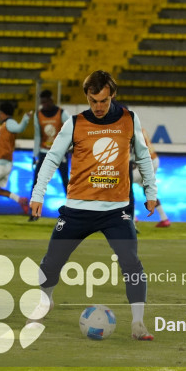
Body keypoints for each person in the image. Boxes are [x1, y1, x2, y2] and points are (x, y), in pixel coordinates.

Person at [30, 70, 158, 340]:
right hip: (78, 209)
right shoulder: (74, 123)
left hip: (116, 211)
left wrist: (150, 190)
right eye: (92, 101)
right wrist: (38, 193)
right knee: (51, 263)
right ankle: (46, 299)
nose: (98, 107)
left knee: (132, 264)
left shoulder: (129, 119)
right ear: (87, 98)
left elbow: (144, 157)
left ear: (112, 94)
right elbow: (52, 158)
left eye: (102, 100)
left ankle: (138, 323)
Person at [29, 90, 70, 222]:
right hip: (43, 152)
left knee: (66, 182)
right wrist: (35, 155)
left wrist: (67, 148)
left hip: (59, 153)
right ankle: (34, 213)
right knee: (37, 182)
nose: (44, 105)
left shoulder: (62, 114)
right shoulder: (38, 115)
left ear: (51, 100)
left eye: (46, 102)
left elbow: (71, 131)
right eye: (42, 103)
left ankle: (73, 212)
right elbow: (37, 136)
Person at [132, 128, 170, 227]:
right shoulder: (141, 128)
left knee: (124, 186)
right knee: (147, 190)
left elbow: (133, 149)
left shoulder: (129, 130)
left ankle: (132, 217)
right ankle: (164, 218)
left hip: (145, 164)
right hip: (154, 160)